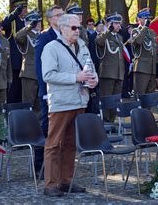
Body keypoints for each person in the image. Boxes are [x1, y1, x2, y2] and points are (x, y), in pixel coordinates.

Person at [41, 14, 98, 197]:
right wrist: (76, 78)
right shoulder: (51, 48)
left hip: (80, 100)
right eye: (73, 28)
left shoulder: (82, 45)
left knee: (71, 145)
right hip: (61, 103)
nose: (77, 31)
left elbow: (90, 67)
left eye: (78, 27)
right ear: (62, 28)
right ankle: (50, 184)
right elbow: (48, 75)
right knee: (54, 144)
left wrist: (93, 79)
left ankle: (66, 181)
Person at [34, 5, 65, 174]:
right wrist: (45, 91)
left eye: (63, 14)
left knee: (62, 129)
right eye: (58, 15)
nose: (62, 17)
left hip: (65, 92)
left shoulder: (66, 36)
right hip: (49, 91)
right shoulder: (45, 37)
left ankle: (58, 166)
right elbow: (39, 67)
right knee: (47, 128)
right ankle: (40, 166)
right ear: (50, 19)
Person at [95, 13, 125, 122]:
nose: (118, 26)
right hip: (107, 73)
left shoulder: (119, 37)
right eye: (116, 23)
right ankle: (106, 121)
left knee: (116, 100)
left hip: (118, 73)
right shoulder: (104, 35)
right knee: (106, 98)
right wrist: (108, 30)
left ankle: (112, 121)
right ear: (110, 24)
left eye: (119, 23)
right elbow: (99, 41)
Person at [14, 10, 42, 113]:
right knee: (28, 103)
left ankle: (38, 127)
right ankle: (27, 126)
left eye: (39, 21)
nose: (38, 23)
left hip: (41, 73)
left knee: (40, 103)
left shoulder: (42, 35)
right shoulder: (26, 35)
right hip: (29, 73)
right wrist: (29, 26)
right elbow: (17, 37)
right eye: (36, 22)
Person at [2, 0, 28, 103]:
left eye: (26, 7)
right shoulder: (12, 20)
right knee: (14, 85)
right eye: (22, 7)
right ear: (16, 8)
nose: (25, 9)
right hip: (15, 57)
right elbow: (3, 25)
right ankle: (12, 108)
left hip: (26, 58)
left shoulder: (27, 21)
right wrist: (14, 14)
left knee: (24, 86)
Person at [131, 9, 158, 95]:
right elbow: (138, 41)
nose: (149, 20)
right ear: (140, 19)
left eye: (149, 18)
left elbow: (154, 50)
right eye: (146, 18)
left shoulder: (152, 32)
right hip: (141, 68)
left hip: (152, 68)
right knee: (140, 94)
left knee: (150, 96)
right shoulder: (135, 31)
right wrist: (145, 27)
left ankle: (148, 109)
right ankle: (138, 109)